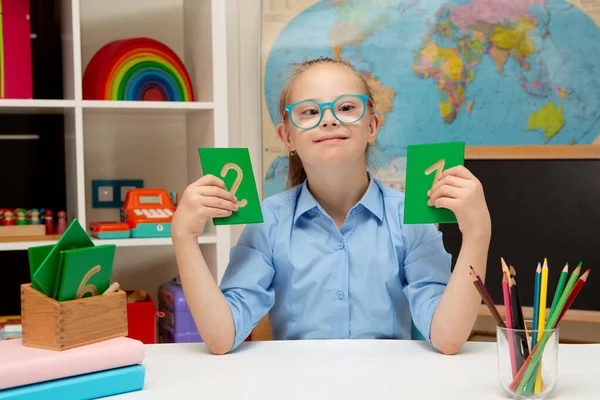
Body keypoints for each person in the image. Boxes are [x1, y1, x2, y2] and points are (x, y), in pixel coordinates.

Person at [171, 57, 492, 356]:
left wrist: (478, 232)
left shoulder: (409, 219)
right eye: (309, 112)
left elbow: (448, 338)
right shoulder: (269, 220)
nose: (328, 120)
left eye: (347, 107)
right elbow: (221, 336)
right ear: (287, 137)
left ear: (372, 126)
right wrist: (184, 238)